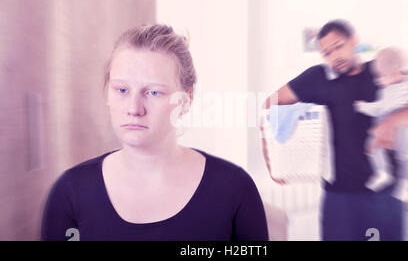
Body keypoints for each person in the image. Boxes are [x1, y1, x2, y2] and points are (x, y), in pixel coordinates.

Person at [41, 24, 268, 241]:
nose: (133, 108)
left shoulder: (234, 189)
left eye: (153, 92)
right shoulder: (70, 192)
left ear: (185, 100)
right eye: (121, 90)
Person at [261, 20, 408, 241]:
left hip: (385, 194)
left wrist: (392, 121)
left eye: (338, 46)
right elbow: (270, 105)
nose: (334, 56)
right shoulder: (317, 78)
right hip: (339, 196)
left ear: (354, 40)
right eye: (326, 52)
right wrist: (269, 150)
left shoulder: (382, 69)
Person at [354, 47, 408, 195]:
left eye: (382, 76)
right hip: (395, 130)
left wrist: (362, 107)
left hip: (401, 129)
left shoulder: (403, 86)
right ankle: (391, 176)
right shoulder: (398, 86)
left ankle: (395, 177)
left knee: (396, 154)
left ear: (394, 72)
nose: (379, 81)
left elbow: (380, 108)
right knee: (387, 152)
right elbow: (379, 107)